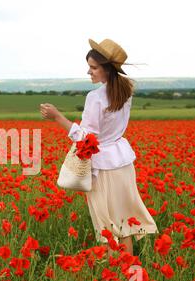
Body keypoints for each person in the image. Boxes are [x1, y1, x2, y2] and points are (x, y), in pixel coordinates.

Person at [40, 38, 158, 256]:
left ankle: (113, 278)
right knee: (124, 224)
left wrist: (57, 117)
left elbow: (87, 139)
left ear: (107, 69)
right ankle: (128, 279)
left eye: (93, 67)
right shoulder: (126, 89)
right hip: (122, 163)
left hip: (103, 166)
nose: (89, 72)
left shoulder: (95, 97)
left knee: (106, 225)